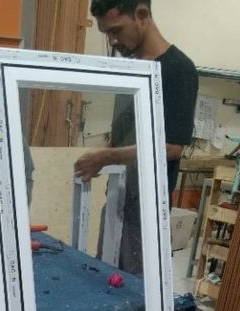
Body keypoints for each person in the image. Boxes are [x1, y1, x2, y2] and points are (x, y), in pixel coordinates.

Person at [74, 0, 198, 274]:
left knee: (136, 288)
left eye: (116, 30)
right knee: (104, 277)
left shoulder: (178, 70)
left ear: (141, 14)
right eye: (107, 33)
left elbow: (171, 147)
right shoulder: (130, 68)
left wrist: (108, 157)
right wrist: (104, 154)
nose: (113, 41)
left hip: (146, 210)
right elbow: (124, 133)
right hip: (117, 196)